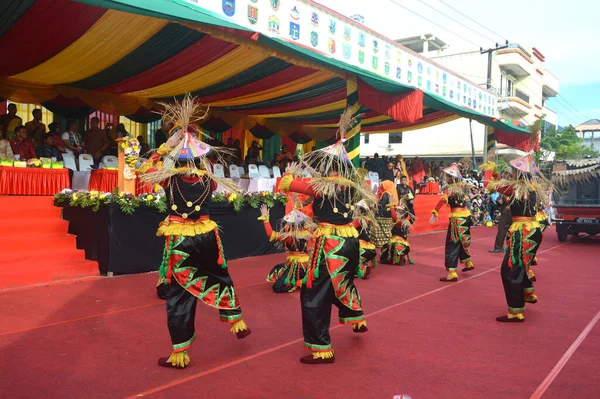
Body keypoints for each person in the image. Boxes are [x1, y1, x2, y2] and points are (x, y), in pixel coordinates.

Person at [139, 95, 251, 369]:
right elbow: (205, 167)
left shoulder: (168, 180)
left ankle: (179, 353)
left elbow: (143, 172)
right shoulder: (209, 180)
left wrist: (165, 148)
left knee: (179, 295)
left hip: (181, 240)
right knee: (219, 274)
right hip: (208, 237)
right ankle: (235, 318)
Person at [278, 108, 378, 364]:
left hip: (329, 244)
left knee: (314, 293)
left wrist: (290, 170)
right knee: (342, 282)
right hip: (349, 241)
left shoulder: (321, 186)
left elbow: (287, 185)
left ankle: (321, 347)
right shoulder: (355, 187)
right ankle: (356, 316)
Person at [486, 154, 550, 323]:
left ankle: (516, 312)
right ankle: (527, 291)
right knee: (519, 265)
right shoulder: (531, 187)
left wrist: (490, 171)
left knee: (510, 269)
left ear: (519, 174)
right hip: (531, 230)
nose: (511, 173)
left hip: (523, 232)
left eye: (514, 171)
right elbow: (501, 185)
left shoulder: (517, 189)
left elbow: (491, 186)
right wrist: (494, 173)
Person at [430, 163, 475, 282]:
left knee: (452, 244)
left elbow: (442, 200)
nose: (447, 179)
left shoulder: (450, 189)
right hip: (466, 217)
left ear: (452, 178)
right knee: (461, 241)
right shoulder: (463, 187)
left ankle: (452, 272)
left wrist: (435, 211)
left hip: (457, 220)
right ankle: (468, 262)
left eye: (449, 177)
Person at [258, 204, 314, 293]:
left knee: (277, 287)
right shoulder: (308, 233)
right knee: (278, 268)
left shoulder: (290, 237)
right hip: (307, 263)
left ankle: (299, 283)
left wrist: (266, 219)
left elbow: (271, 234)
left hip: (298, 266)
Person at [354, 200, 377, 280]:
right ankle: (366, 266)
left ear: (359, 211)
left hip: (361, 247)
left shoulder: (358, 220)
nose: (354, 210)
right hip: (370, 247)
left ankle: (361, 270)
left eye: (356, 209)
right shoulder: (367, 220)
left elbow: (350, 228)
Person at [371, 180, 398, 249]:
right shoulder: (392, 193)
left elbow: (382, 205)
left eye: (383, 185)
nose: (381, 186)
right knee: (387, 230)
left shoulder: (386, 194)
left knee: (380, 230)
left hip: (382, 214)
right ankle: (387, 243)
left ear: (387, 185)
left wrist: (375, 204)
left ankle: (380, 244)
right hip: (389, 214)